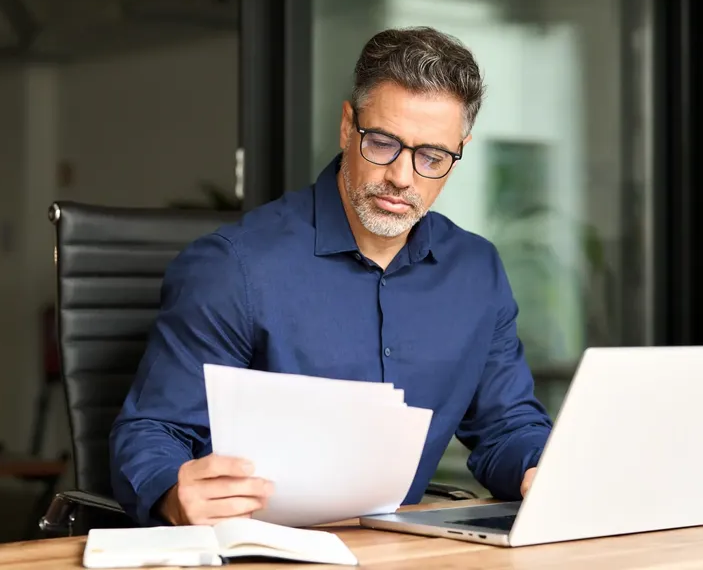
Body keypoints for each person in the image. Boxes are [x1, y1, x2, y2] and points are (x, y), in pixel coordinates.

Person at [110, 26, 553, 527]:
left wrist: (541, 469)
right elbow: (151, 431)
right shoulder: (234, 267)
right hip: (259, 552)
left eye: (432, 157)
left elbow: (507, 426)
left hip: (398, 552)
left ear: (459, 151)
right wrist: (172, 491)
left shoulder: (476, 272)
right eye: (383, 143)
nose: (402, 177)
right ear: (348, 127)